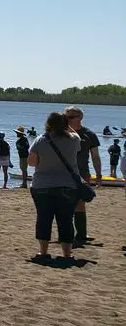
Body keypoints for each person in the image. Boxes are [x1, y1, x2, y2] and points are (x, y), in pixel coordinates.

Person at [27, 111, 82, 264]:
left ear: (48, 124)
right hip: (68, 185)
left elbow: (31, 163)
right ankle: (67, 253)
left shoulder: (40, 140)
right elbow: (73, 136)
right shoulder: (74, 139)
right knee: (65, 219)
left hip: (42, 185)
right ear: (66, 124)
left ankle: (43, 252)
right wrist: (68, 126)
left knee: (44, 218)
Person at [65, 106, 100, 247]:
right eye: (66, 117)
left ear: (79, 118)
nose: (67, 119)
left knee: (80, 204)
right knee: (65, 205)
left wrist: (98, 175)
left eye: (70, 117)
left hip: (82, 173)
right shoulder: (61, 134)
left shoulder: (89, 134)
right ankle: (67, 233)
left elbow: (95, 157)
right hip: (64, 174)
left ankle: (81, 234)